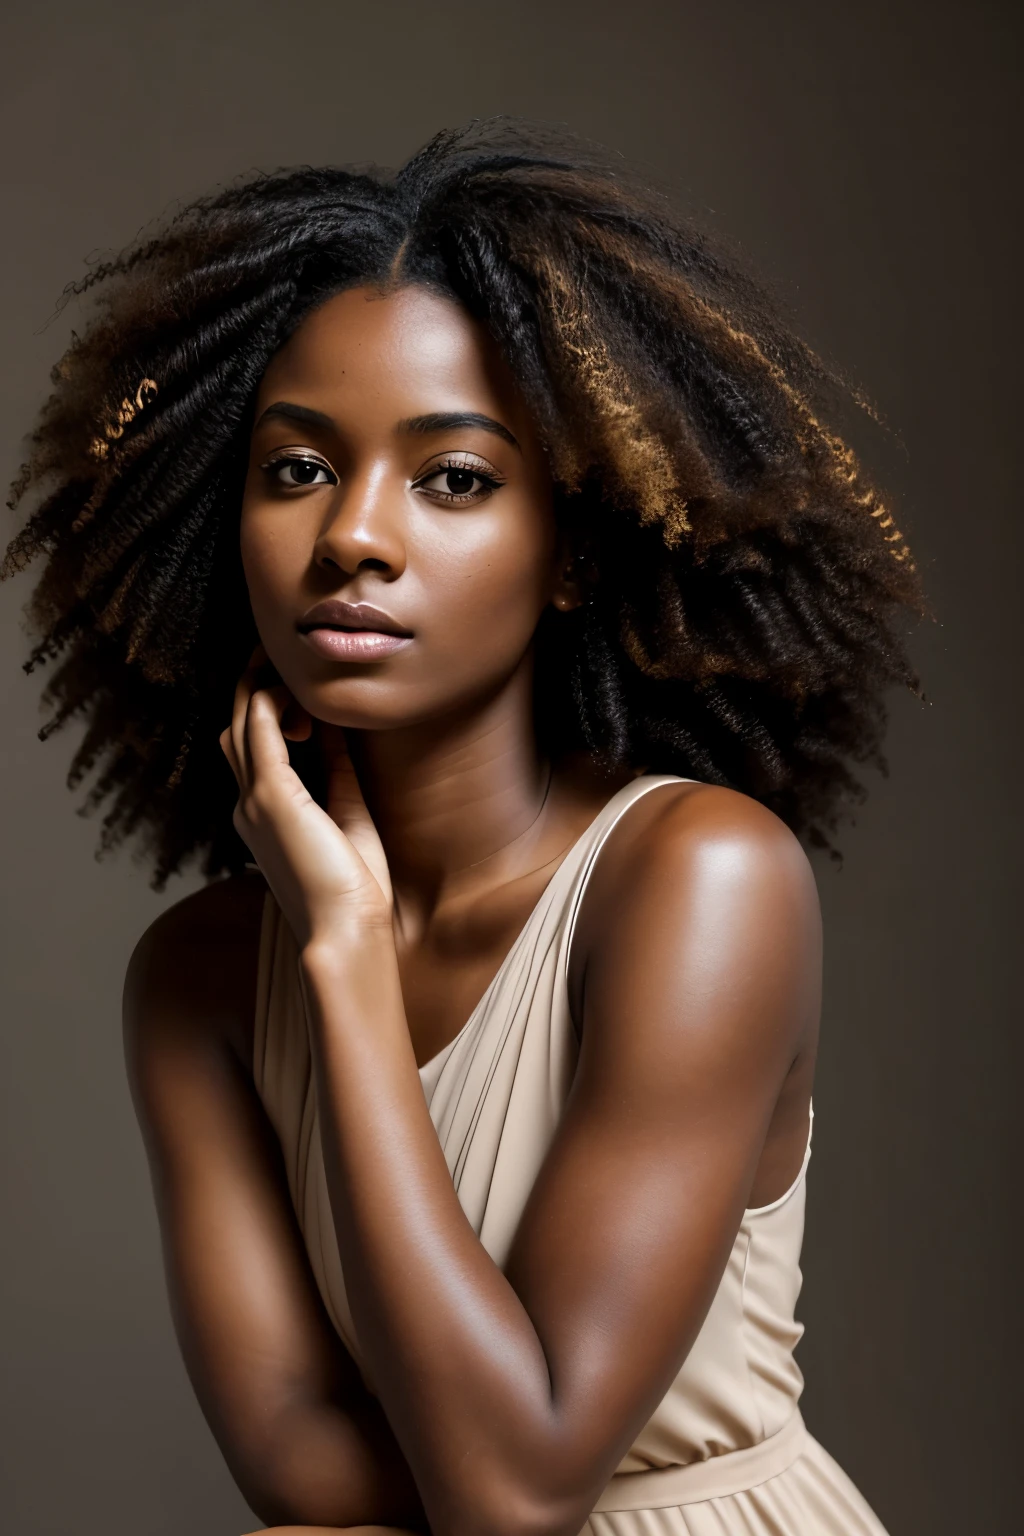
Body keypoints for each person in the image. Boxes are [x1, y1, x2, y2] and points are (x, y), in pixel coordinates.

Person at [2, 120, 922, 1536]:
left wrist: (351, 962)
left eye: (456, 478)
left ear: (570, 551)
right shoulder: (200, 979)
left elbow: (513, 1487)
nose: (354, 535)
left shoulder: (700, 881)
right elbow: (296, 1467)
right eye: (298, 467)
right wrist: (325, 942)